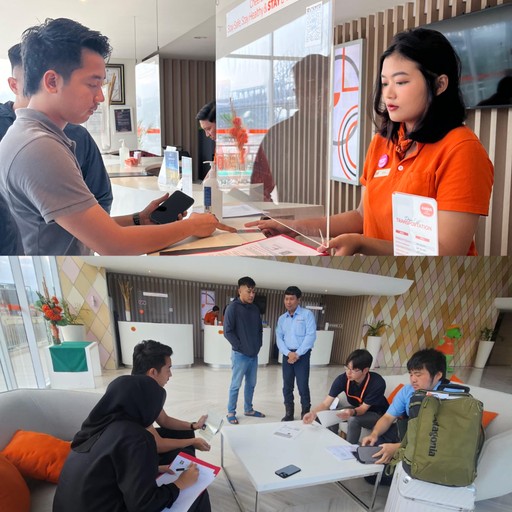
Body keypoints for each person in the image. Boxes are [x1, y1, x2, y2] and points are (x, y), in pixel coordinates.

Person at [247, 28, 494, 256]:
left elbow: (448, 251)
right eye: (385, 83)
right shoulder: (382, 142)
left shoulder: (462, 151)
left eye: (401, 82)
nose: (388, 94)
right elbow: (361, 216)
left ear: (439, 85)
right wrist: (294, 227)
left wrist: (362, 243)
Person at [0, 18, 234, 255]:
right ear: (52, 81)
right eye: (92, 84)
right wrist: (191, 226)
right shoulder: (39, 147)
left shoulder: (29, 136)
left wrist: (138, 219)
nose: (100, 97)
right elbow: (113, 245)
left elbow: (77, 229)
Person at [53, 375, 210, 512]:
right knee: (197, 493)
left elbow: (104, 470)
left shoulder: (96, 427)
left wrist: (152, 469)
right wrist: (180, 483)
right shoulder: (136, 437)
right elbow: (144, 506)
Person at [0, 43, 113, 214]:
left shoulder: (79, 134)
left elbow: (100, 195)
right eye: (31, 81)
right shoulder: (25, 138)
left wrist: (97, 228)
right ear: (14, 85)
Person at [250, 54, 330, 202]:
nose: (305, 97)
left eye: (312, 89)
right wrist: (277, 216)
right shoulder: (277, 136)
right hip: (294, 216)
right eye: (301, 90)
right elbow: (257, 190)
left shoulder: (344, 135)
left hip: (343, 215)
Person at [361, 348, 449, 468]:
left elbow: (439, 438)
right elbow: (388, 417)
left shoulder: (451, 397)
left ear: (438, 375)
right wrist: (374, 434)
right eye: (411, 374)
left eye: (418, 375)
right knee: (375, 444)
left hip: (432, 445)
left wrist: (398, 447)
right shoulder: (408, 391)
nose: (413, 380)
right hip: (410, 435)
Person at [131, 340, 211, 467]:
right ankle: (184, 475)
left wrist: (193, 426)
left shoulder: (141, 387)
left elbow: (164, 420)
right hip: (132, 456)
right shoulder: (138, 397)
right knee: (185, 453)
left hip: (138, 441)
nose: (170, 374)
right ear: (153, 372)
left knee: (185, 433)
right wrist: (192, 442)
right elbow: (158, 445)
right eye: (168, 369)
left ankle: (188, 471)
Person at [303, 349, 389, 444]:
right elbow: (326, 403)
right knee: (332, 414)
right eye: (347, 368)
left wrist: (351, 412)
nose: (348, 372)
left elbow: (363, 409)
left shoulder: (377, 383)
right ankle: (331, 442)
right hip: (357, 409)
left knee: (353, 419)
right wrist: (313, 413)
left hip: (378, 414)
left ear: (365, 370)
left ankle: (349, 448)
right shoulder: (342, 379)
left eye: (353, 370)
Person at [223, 276, 265, 424]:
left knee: (251, 384)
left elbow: (259, 330)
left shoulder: (255, 309)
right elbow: (227, 331)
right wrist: (240, 346)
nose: (252, 295)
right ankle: (231, 412)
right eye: (249, 291)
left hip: (254, 355)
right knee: (236, 385)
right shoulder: (232, 308)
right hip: (240, 355)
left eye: (253, 291)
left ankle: (248, 409)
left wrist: (258, 345)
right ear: (239, 291)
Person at [276, 285, 317, 421]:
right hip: (287, 355)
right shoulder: (282, 318)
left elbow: (310, 336)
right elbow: (279, 338)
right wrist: (288, 353)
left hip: (302, 356)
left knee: (302, 385)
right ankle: (289, 413)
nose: (288, 302)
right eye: (286, 299)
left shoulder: (307, 315)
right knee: (287, 386)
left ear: (298, 300)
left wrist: (297, 354)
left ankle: (305, 413)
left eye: (292, 299)